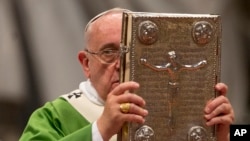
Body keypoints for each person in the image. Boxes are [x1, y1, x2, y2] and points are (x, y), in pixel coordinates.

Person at [19, 8, 234, 141]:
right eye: (109, 52)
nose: (122, 63)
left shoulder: (183, 110)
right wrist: (101, 130)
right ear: (86, 63)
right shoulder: (56, 115)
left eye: (133, 52)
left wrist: (224, 137)